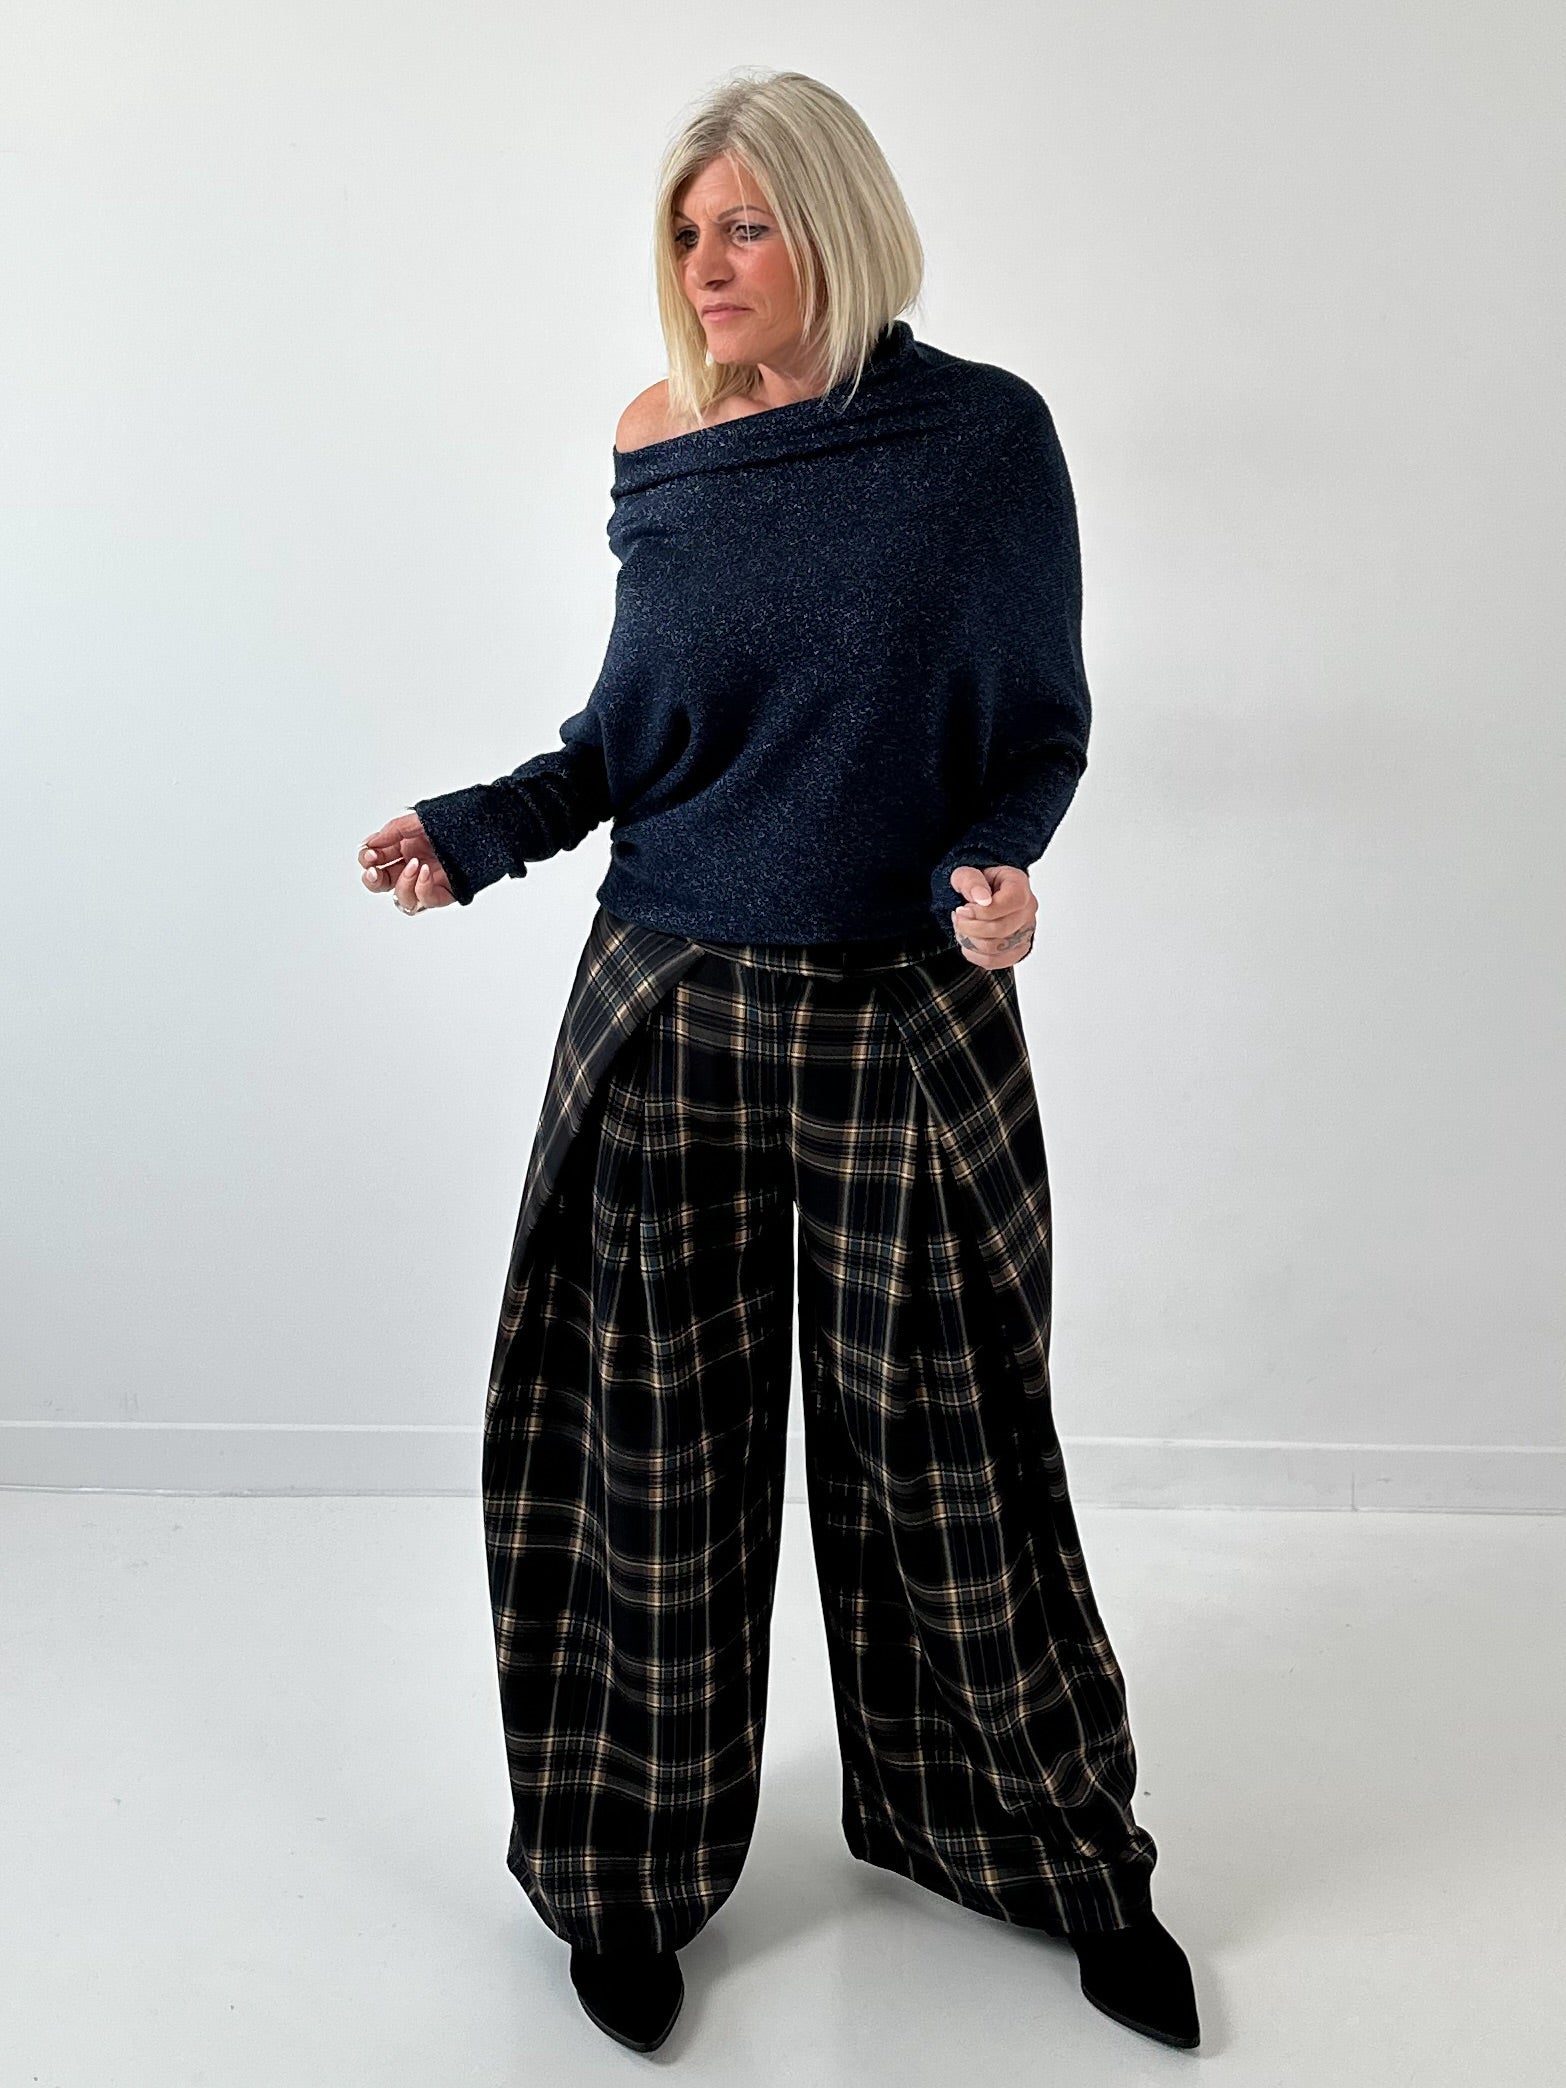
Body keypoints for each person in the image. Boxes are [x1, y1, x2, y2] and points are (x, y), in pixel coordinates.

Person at [357, 68, 1201, 2061]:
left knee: (955, 1460)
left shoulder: (982, 438)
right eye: (685, 230)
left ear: (834, 224)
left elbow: (1039, 727)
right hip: (666, 1004)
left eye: (744, 224)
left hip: (908, 1008)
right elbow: (630, 739)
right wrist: (478, 831)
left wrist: (1003, 873)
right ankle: (623, 1877)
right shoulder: (659, 438)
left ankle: (1046, 1849)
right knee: (642, 1455)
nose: (707, 265)